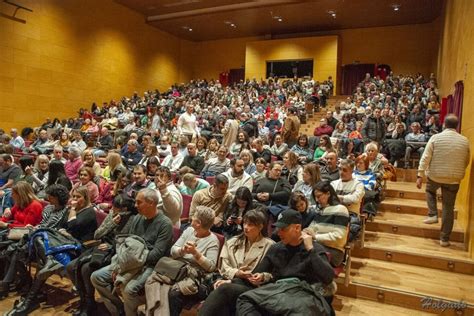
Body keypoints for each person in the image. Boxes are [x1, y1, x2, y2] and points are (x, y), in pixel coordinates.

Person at [8, 186, 97, 315]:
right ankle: (31, 298)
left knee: (41, 234)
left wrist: (71, 211)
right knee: (39, 241)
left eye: (78, 197)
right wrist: (62, 232)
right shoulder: (72, 210)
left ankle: (30, 299)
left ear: (86, 198)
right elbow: (62, 227)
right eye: (74, 197)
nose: (75, 200)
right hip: (64, 244)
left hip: (80, 247)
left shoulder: (88, 212)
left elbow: (72, 226)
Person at [235, 209, 334, 316]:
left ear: (297, 228)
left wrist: (310, 249)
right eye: (278, 228)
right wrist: (260, 277)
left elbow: (328, 278)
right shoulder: (276, 248)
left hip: (303, 293)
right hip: (277, 291)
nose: (278, 232)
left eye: (283, 229)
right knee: (245, 300)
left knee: (302, 311)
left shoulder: (314, 249)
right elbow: (256, 273)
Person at [91, 188, 173, 316]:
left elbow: (157, 254)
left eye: (139, 202)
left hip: (150, 265)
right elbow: (126, 244)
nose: (135, 206)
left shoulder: (165, 224)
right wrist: (120, 265)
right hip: (131, 261)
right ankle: (119, 309)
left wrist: (130, 263)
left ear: (151, 203)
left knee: (128, 289)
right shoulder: (138, 218)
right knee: (96, 277)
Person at [68, 194, 137, 316]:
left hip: (116, 252)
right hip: (101, 248)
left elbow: (130, 244)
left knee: (86, 269)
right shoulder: (112, 215)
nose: (112, 210)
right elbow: (97, 235)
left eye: (115, 208)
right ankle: (83, 299)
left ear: (124, 209)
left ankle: (90, 304)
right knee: (70, 266)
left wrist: (112, 247)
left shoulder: (134, 219)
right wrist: (112, 223)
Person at [146, 206, 219, 316]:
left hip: (194, 275)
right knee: (152, 281)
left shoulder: (213, 241)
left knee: (173, 294)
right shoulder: (189, 230)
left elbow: (211, 267)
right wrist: (182, 250)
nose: (191, 218)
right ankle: (153, 312)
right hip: (176, 267)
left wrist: (196, 253)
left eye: (193, 217)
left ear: (198, 223)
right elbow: (173, 250)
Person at [198, 209, 274, 316]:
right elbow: (223, 266)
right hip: (230, 280)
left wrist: (262, 276)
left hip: (253, 287)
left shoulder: (270, 246)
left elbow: (273, 274)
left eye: (251, 224)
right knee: (222, 301)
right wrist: (236, 273)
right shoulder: (232, 242)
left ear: (260, 227)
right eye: (245, 223)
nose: (246, 227)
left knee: (224, 289)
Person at [417, 114, 470, 247]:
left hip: (435, 175)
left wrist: (420, 175)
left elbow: (426, 157)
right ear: (457, 126)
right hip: (454, 178)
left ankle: (433, 214)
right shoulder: (464, 140)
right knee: (448, 208)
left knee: (430, 190)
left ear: (444, 124)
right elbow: (466, 160)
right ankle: (444, 239)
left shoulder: (435, 138)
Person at [306, 181, 349, 266]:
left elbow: (339, 236)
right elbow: (312, 228)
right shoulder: (320, 209)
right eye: (315, 197)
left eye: (319, 196)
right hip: (318, 246)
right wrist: (306, 232)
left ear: (328, 194)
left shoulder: (340, 209)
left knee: (305, 253)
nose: (317, 200)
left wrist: (316, 236)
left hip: (334, 251)